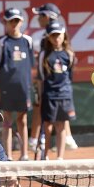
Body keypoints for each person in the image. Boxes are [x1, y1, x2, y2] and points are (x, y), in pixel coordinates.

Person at [0, 8, 34, 159]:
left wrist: (30, 88)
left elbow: (29, 67)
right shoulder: (2, 42)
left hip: (23, 88)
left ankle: (24, 154)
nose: (14, 24)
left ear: (21, 22)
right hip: (6, 88)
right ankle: (7, 155)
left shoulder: (28, 41)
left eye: (17, 21)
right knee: (7, 121)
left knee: (22, 120)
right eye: (11, 21)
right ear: (6, 23)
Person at [38, 20, 77, 159]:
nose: (56, 38)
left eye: (59, 35)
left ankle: (60, 158)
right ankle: (45, 155)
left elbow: (70, 76)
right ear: (48, 37)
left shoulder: (69, 54)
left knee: (61, 127)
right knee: (48, 127)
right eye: (53, 35)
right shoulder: (44, 55)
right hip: (49, 96)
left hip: (65, 95)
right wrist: (40, 95)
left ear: (64, 35)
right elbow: (40, 78)